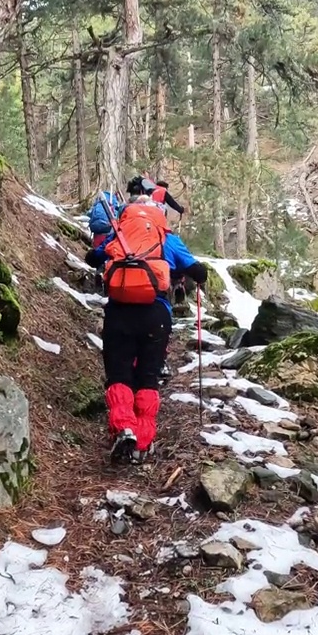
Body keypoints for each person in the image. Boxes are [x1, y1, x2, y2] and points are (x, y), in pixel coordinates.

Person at [85, 196, 209, 464]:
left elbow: (92, 257)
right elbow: (198, 272)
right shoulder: (168, 239)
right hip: (156, 315)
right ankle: (142, 441)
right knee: (148, 377)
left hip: (119, 313)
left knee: (119, 374)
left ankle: (124, 427)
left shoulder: (119, 233)